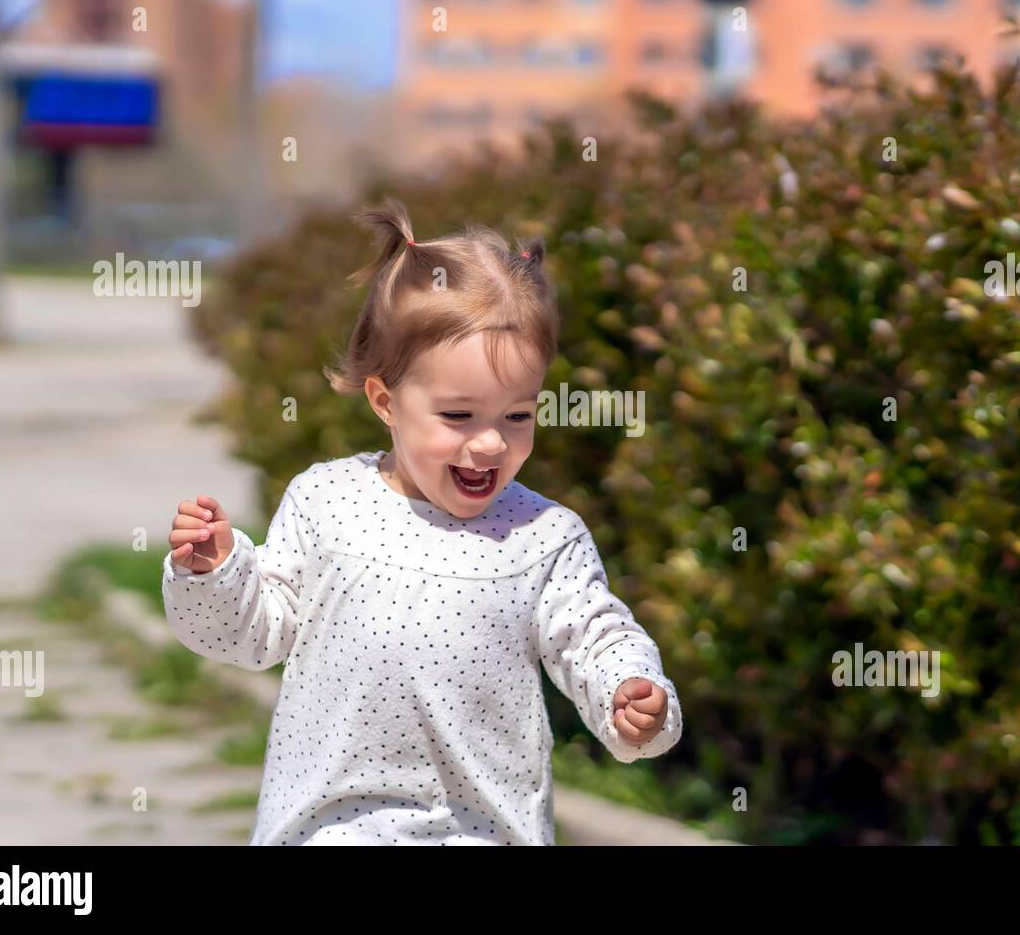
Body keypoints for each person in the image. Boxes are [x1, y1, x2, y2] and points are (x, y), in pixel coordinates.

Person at [160, 197, 683, 845]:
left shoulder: (544, 538)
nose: (490, 444)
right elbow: (254, 632)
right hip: (330, 832)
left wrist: (629, 689)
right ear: (386, 401)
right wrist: (216, 574)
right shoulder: (327, 504)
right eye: (459, 417)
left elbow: (595, 636)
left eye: (517, 416)